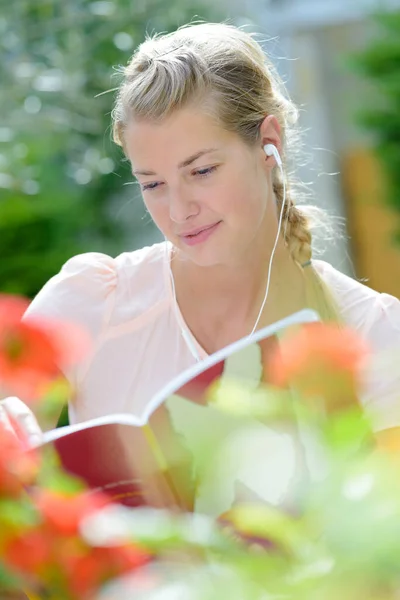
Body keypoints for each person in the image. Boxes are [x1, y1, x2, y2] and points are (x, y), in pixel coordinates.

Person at [1, 21, 399, 449]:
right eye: (153, 184)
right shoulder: (91, 306)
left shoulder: (371, 334)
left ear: (269, 143)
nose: (179, 211)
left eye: (202, 171)